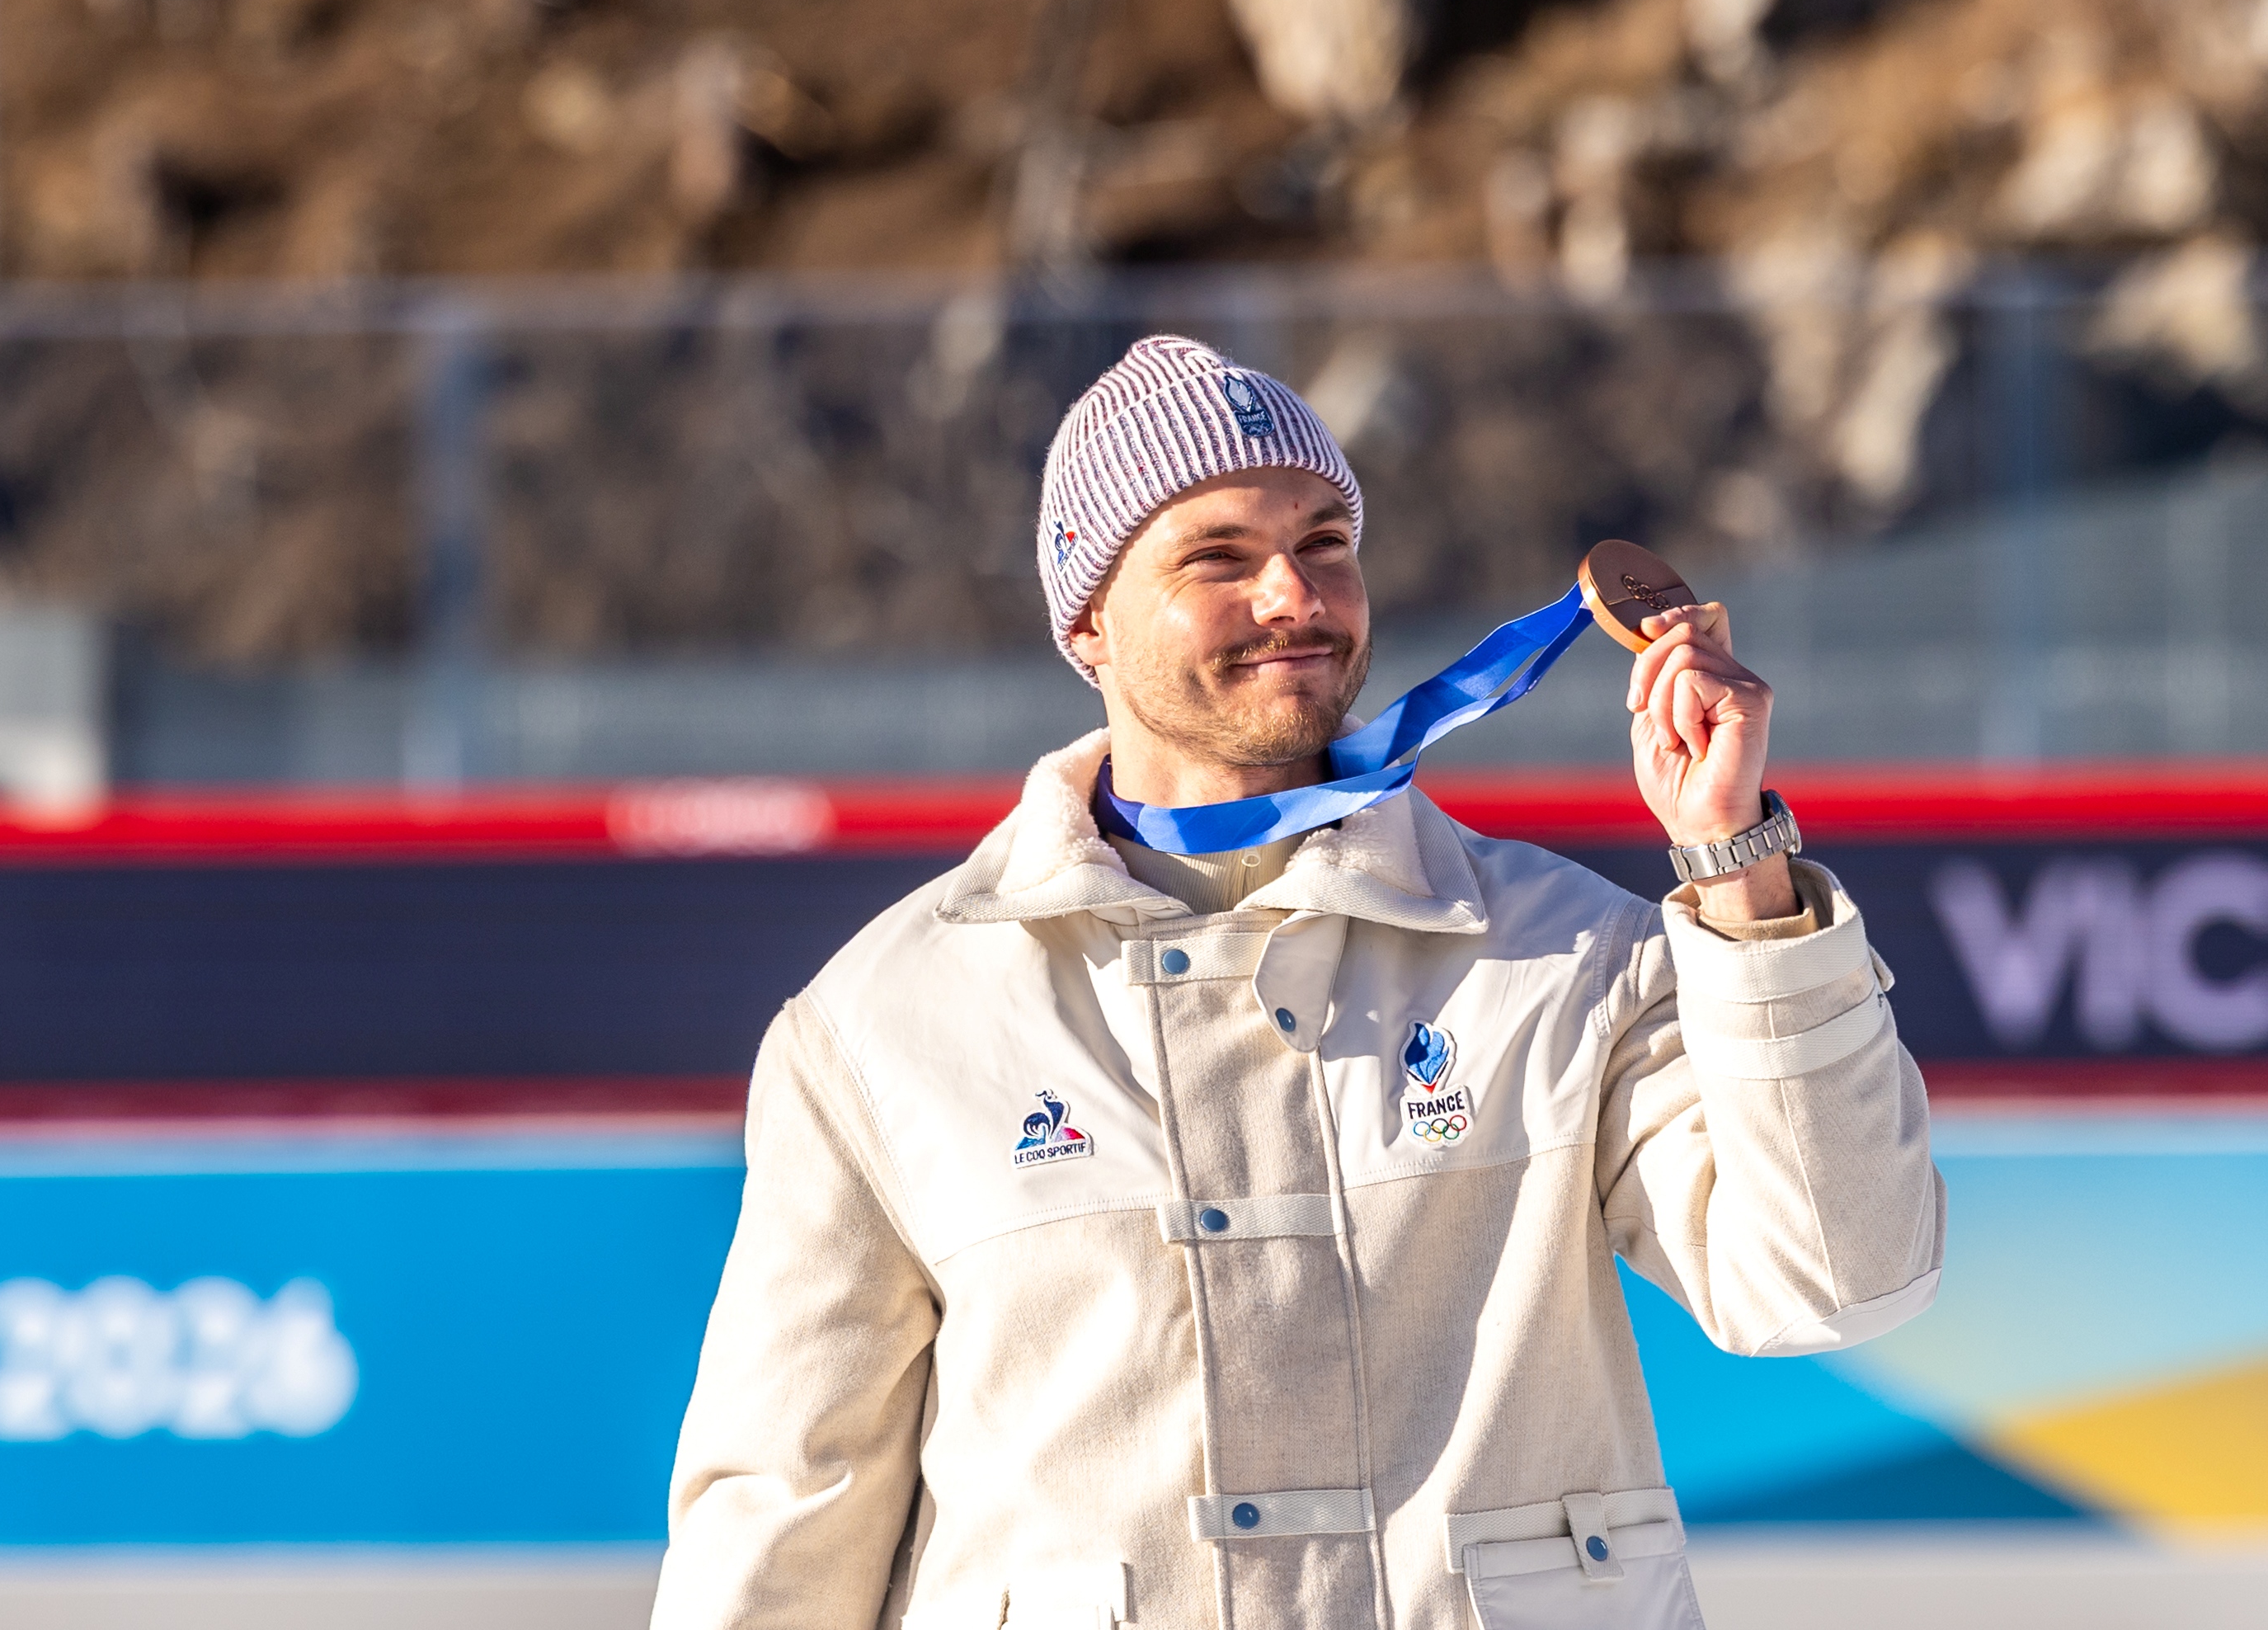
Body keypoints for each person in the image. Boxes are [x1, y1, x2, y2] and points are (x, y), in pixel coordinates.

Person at [651, 335, 1943, 1630]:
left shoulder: (1557, 953)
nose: (1294, 594)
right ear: (1086, 621)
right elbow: (785, 1507)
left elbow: (1834, 1276)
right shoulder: (889, 1022)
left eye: (1325, 542)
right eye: (1217, 557)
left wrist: (1737, 868)